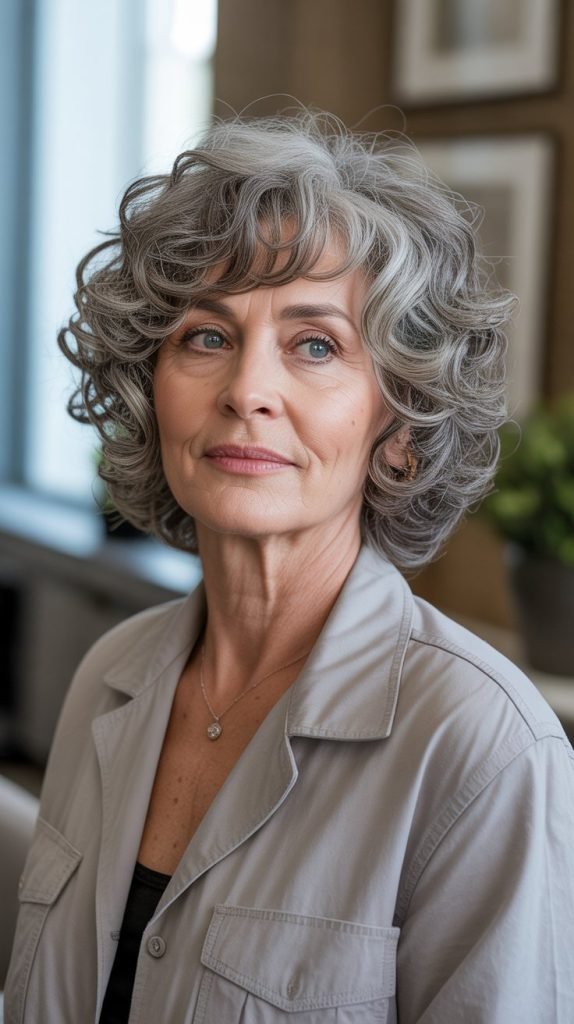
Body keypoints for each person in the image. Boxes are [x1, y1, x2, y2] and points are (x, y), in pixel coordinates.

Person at [5, 110, 574, 1024]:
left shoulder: (485, 750)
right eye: (204, 335)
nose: (245, 390)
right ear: (151, 390)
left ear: (398, 425)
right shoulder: (107, 677)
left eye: (316, 345)